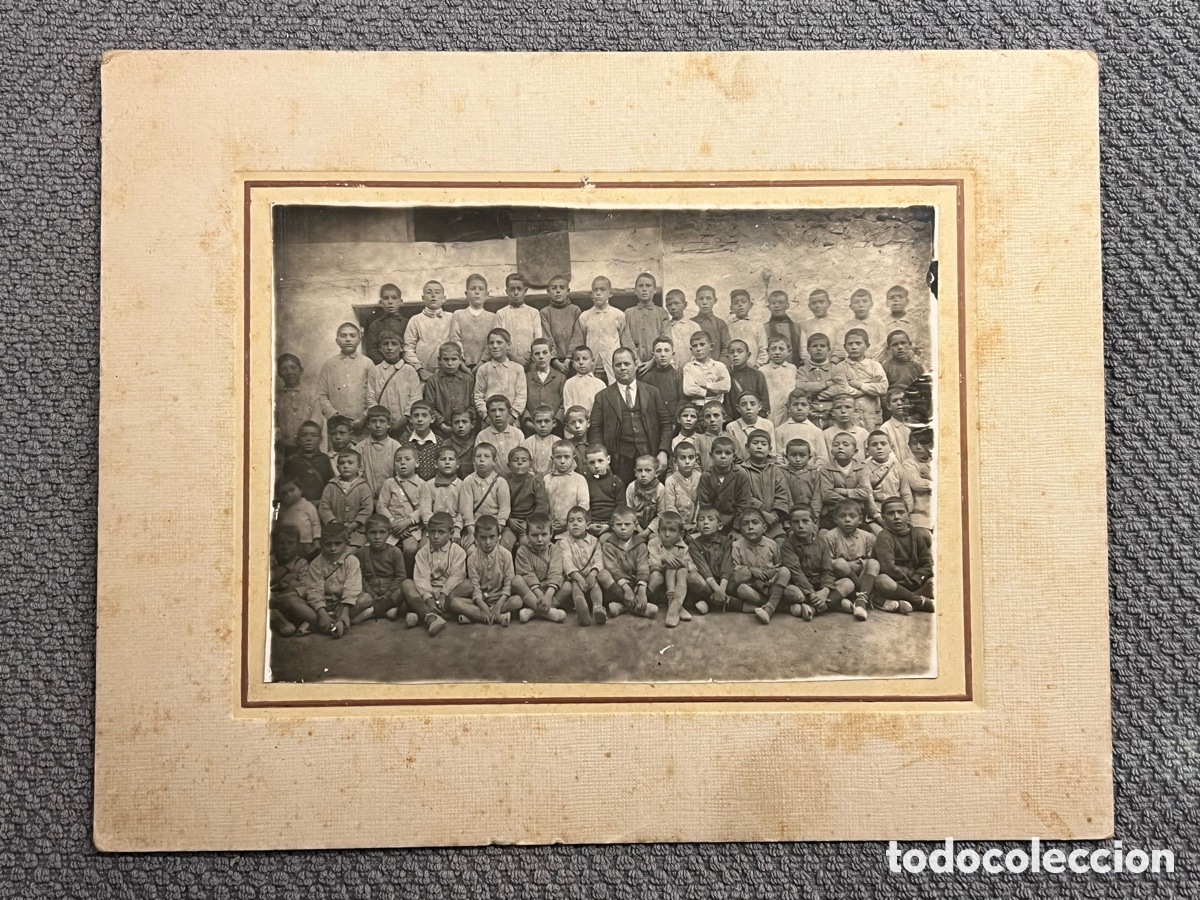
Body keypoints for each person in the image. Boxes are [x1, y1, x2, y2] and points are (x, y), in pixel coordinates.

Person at [586, 348, 673, 484]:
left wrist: (663, 452)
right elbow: (595, 430)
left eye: (626, 364)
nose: (622, 368)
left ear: (635, 364)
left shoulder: (652, 392)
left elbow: (666, 424)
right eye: (618, 365)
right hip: (618, 461)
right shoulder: (602, 397)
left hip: (649, 455)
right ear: (613, 368)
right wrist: (601, 459)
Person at [779, 505, 858, 620]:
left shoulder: (822, 543)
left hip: (820, 585)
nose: (801, 526)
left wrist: (825, 591)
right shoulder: (788, 545)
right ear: (790, 524)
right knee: (790, 592)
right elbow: (796, 572)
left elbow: (827, 570)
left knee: (848, 583)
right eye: (796, 522)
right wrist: (811, 594)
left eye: (805, 521)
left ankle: (813, 609)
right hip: (801, 587)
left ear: (814, 522)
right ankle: (835, 604)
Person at [301, 522, 373, 638]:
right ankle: (330, 621)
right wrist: (322, 612)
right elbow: (315, 590)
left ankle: (324, 623)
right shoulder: (316, 564)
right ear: (321, 544)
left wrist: (345, 612)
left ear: (347, 543)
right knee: (294, 601)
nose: (333, 549)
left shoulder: (352, 561)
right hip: (324, 603)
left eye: (338, 544)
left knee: (366, 599)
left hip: (344, 604)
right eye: (328, 544)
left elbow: (352, 588)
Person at [398, 511, 461, 636]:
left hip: (447, 595)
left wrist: (443, 594)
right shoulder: (423, 552)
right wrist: (428, 598)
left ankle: (420, 612)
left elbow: (456, 576)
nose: (436, 536)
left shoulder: (458, 552)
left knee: (467, 585)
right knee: (406, 584)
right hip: (427, 593)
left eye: (441, 532)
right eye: (432, 532)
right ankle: (430, 617)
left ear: (451, 533)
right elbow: (421, 579)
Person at [450, 515, 521, 626]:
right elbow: (475, 587)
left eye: (492, 537)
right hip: (481, 602)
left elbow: (508, 584)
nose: (488, 542)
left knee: (517, 601)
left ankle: (477, 617)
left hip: (501, 600)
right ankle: (497, 617)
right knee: (455, 603)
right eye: (483, 537)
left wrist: (498, 606)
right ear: (476, 537)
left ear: (499, 536)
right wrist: (483, 606)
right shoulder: (472, 558)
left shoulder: (505, 555)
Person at [872, 498, 936, 612]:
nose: (896, 517)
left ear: (908, 515)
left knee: (935, 580)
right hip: (896, 583)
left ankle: (906, 600)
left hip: (916, 582)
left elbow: (927, 563)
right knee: (882, 581)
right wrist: (911, 575)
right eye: (891, 513)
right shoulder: (884, 537)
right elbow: (888, 568)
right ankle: (918, 601)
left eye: (901, 512)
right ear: (883, 517)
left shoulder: (916, 534)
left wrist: (918, 578)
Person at [822, 499, 881, 620]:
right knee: (840, 563)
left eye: (852, 516)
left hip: (861, 575)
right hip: (841, 578)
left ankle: (860, 600)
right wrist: (849, 565)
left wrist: (860, 563)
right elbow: (826, 562)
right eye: (842, 516)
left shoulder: (867, 536)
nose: (847, 519)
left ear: (860, 520)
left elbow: (871, 558)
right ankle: (868, 597)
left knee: (874, 563)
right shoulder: (830, 536)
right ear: (835, 519)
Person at [731, 508, 790, 624]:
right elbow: (735, 570)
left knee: (785, 571)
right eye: (745, 524)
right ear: (740, 529)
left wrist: (771, 572)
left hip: (770, 583)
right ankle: (776, 605)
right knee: (742, 589)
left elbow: (779, 564)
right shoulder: (736, 546)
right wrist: (750, 569)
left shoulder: (772, 544)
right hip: (752, 586)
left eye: (755, 522)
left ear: (764, 528)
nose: (750, 527)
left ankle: (767, 607)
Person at [599, 506, 657, 620]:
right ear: (612, 526)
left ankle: (622, 607)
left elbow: (643, 567)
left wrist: (641, 591)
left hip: (636, 584)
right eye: (619, 525)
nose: (623, 528)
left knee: (657, 577)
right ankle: (637, 607)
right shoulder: (609, 544)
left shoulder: (641, 545)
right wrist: (626, 589)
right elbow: (612, 569)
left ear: (635, 526)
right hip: (619, 586)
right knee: (603, 575)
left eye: (627, 524)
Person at [316, 322, 374, 435]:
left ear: (359, 339)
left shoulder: (368, 364)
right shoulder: (329, 365)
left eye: (352, 336)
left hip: (362, 425)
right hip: (336, 427)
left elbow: (375, 394)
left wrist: (364, 417)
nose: (348, 339)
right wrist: (334, 417)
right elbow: (321, 394)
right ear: (337, 340)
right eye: (343, 336)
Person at [510, 513, 569, 623]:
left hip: (549, 590)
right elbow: (527, 575)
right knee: (516, 581)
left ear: (551, 534)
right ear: (527, 535)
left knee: (567, 586)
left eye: (544, 534)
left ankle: (533, 612)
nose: (539, 539)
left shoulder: (555, 549)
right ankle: (550, 613)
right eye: (534, 535)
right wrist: (542, 596)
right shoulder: (523, 551)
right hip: (532, 592)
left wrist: (548, 596)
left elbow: (555, 573)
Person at [375, 445, 424, 571]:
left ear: (417, 463)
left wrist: (407, 522)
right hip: (392, 527)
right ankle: (388, 576)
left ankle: (407, 576)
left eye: (407, 459)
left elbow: (423, 508)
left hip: (412, 528)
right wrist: (393, 523)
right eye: (398, 460)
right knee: (381, 547)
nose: (402, 463)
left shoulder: (422, 485)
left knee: (411, 548)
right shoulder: (389, 483)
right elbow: (381, 506)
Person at [816, 431, 875, 531]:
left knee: (869, 535)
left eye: (845, 444)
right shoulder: (825, 470)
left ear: (855, 452)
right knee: (823, 533)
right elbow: (826, 494)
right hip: (832, 513)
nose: (840, 447)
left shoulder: (862, 469)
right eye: (836, 445)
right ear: (831, 452)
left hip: (857, 513)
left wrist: (842, 491)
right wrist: (852, 499)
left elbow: (866, 493)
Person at [558, 506, 606, 626]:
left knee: (595, 585)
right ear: (567, 525)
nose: (575, 524)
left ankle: (597, 607)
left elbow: (598, 560)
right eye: (571, 521)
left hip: (591, 575)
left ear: (588, 525)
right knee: (575, 587)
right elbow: (567, 562)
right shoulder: (565, 542)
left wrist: (593, 574)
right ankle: (581, 609)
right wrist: (578, 577)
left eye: (579, 520)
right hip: (575, 576)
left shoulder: (595, 541)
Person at [366, 332, 421, 437]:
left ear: (401, 348)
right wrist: (381, 420)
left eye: (394, 344)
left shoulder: (409, 370)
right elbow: (371, 398)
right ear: (380, 348)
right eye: (385, 344)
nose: (389, 348)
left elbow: (416, 397)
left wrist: (403, 419)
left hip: (406, 425)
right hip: (382, 426)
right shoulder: (375, 371)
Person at [356, 514, 409, 623]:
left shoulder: (395, 552)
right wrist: (373, 595)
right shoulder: (361, 553)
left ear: (389, 534)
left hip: (391, 593)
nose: (377, 537)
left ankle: (375, 610)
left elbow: (401, 577)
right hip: (370, 593)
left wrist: (387, 595)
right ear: (366, 534)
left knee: (405, 588)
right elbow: (361, 578)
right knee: (358, 593)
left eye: (382, 532)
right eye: (372, 532)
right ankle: (385, 611)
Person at [458, 442, 511, 551]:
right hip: (475, 527)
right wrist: (472, 532)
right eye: (478, 456)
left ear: (494, 461)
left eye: (487, 456)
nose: (482, 460)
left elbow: (504, 510)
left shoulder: (500, 482)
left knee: (499, 551)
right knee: (471, 551)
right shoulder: (468, 481)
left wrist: (497, 531)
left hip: (495, 527)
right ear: (473, 460)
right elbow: (466, 509)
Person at [579, 275, 631, 383]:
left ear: (610, 293)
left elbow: (625, 341)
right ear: (591, 294)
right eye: (595, 290)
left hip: (613, 366)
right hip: (593, 367)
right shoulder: (584, 316)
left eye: (602, 290)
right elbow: (582, 341)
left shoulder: (619, 315)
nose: (598, 293)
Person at [317, 449, 373, 549]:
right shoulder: (331, 486)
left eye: (350, 463)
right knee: (333, 549)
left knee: (352, 551)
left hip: (357, 532)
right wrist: (333, 523)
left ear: (359, 467)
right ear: (337, 467)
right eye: (342, 463)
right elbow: (324, 507)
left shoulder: (363, 487)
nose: (345, 466)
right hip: (334, 532)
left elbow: (367, 508)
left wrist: (354, 525)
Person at [647, 511, 694, 627]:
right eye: (664, 530)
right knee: (670, 565)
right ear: (658, 531)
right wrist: (663, 558)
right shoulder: (653, 543)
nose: (667, 534)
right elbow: (649, 563)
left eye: (672, 530)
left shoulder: (684, 548)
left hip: (679, 589)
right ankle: (674, 604)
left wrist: (683, 563)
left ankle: (674, 605)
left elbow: (693, 567)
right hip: (660, 587)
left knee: (681, 569)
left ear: (681, 534)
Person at [741, 430, 790, 539]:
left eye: (763, 444)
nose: (759, 447)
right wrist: (763, 513)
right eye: (755, 443)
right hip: (748, 521)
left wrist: (774, 514)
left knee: (781, 544)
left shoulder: (776, 471)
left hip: (773, 523)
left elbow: (782, 494)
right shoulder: (741, 471)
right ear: (747, 447)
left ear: (770, 449)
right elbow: (744, 496)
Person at [697, 436, 751, 533]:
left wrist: (736, 529)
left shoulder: (741, 475)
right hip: (712, 524)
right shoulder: (706, 476)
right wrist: (712, 526)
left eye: (727, 453)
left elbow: (743, 505)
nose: (723, 456)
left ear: (734, 457)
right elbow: (705, 505)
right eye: (718, 452)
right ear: (711, 455)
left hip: (735, 524)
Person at [686, 507, 734, 614]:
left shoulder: (727, 541)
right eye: (702, 519)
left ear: (720, 526)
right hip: (708, 584)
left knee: (743, 573)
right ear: (697, 526)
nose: (706, 523)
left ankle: (710, 602)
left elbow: (727, 566)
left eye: (710, 519)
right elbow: (704, 570)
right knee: (693, 578)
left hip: (725, 583)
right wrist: (717, 590)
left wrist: (721, 589)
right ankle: (720, 601)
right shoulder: (694, 545)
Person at [473, 328, 527, 422]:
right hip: (489, 421)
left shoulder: (517, 369)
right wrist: (486, 417)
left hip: (512, 421)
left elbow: (521, 396)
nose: (494, 346)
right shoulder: (483, 369)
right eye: (491, 343)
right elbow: (478, 396)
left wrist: (513, 416)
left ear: (508, 345)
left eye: (499, 342)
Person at [830, 328, 888, 415]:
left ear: (867, 346)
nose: (854, 347)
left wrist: (859, 385)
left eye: (858, 343)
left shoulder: (875, 365)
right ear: (844, 347)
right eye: (850, 344)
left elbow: (883, 388)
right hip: (850, 416)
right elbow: (843, 391)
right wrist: (870, 385)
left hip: (871, 414)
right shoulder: (839, 368)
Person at [447, 273, 499, 370]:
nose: (477, 292)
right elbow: (455, 340)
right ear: (466, 294)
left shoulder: (493, 317)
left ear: (486, 294)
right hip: (462, 366)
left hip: (486, 366)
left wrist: (481, 363)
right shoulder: (458, 315)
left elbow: (493, 343)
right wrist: (462, 365)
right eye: (473, 288)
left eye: (481, 289)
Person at [404, 281, 453, 380]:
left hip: (450, 373)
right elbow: (408, 349)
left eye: (437, 292)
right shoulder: (415, 320)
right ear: (423, 298)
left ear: (443, 298)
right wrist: (420, 370)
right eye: (429, 292)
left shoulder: (452, 318)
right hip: (425, 374)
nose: (433, 295)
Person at [423, 342, 473, 438]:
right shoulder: (433, 381)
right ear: (439, 360)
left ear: (460, 360)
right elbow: (430, 407)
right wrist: (442, 425)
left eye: (454, 359)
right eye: (446, 359)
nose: (450, 363)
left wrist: (463, 422)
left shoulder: (468, 380)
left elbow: (473, 406)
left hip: (465, 430)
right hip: (440, 431)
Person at [504, 446, 550, 550]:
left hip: (529, 524)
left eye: (524, 460)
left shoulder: (536, 481)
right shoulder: (504, 482)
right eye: (515, 460)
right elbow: (501, 506)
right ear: (508, 465)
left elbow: (542, 507)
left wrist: (529, 523)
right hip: (511, 523)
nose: (520, 463)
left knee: (527, 546)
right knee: (504, 545)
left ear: (530, 464)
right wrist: (509, 521)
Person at [268, 525, 311, 635]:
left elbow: (306, 586)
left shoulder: (301, 563)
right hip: (273, 603)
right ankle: (281, 622)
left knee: (303, 601)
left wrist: (292, 592)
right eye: (280, 543)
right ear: (274, 545)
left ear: (297, 545)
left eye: (290, 543)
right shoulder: (270, 563)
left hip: (291, 601)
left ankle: (301, 621)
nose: (285, 547)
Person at [865, 431, 913, 528]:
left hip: (897, 511)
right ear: (868, 450)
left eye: (883, 444)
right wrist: (879, 518)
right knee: (881, 535)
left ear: (891, 447)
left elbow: (906, 493)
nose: (879, 447)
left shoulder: (897, 467)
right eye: (874, 445)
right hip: (877, 514)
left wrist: (905, 514)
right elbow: (868, 498)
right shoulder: (864, 469)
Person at [624, 272, 669, 375]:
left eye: (648, 286)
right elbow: (626, 340)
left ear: (655, 290)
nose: (644, 289)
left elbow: (666, 338)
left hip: (657, 366)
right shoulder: (628, 313)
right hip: (634, 367)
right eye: (640, 286)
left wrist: (652, 362)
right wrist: (636, 360)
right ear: (635, 291)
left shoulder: (662, 313)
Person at [540, 273, 584, 376]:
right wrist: (555, 361)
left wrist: (569, 358)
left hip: (573, 360)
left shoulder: (575, 310)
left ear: (568, 291)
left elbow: (577, 336)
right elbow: (547, 337)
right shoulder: (545, 312)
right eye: (554, 288)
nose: (558, 291)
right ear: (548, 291)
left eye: (562, 288)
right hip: (553, 362)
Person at [275, 353, 320, 454]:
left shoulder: (312, 395)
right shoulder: (276, 397)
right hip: (285, 449)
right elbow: (274, 423)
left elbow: (316, 421)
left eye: (293, 367)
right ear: (279, 373)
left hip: (308, 448)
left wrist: (308, 440)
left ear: (301, 371)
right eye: (284, 369)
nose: (289, 372)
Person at [354, 405, 402, 499]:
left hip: (391, 498)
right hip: (366, 498)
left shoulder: (396, 447)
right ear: (368, 424)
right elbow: (357, 476)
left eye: (382, 421)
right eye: (373, 421)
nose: (378, 425)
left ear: (389, 424)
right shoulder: (360, 448)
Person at [418, 445, 463, 543]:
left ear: (458, 464)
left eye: (451, 459)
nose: (447, 462)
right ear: (435, 464)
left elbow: (463, 511)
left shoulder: (463, 485)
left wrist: (457, 528)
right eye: (443, 459)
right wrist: (435, 527)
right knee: (423, 548)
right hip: (433, 527)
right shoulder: (428, 485)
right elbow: (425, 511)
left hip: (454, 528)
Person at [281, 421, 334, 504]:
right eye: (304, 435)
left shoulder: (324, 459)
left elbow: (330, 485)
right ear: (297, 439)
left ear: (320, 439)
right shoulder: (291, 461)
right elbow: (286, 488)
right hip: (298, 506)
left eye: (314, 435)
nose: (309, 439)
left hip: (321, 505)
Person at [496, 272, 542, 367]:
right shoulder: (500, 314)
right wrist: (513, 357)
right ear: (506, 291)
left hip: (530, 361)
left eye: (519, 289)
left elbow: (538, 337)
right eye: (512, 289)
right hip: (508, 361)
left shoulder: (534, 313)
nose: (516, 293)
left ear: (525, 290)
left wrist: (529, 355)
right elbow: (498, 339)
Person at [545, 439, 589, 537]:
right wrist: (548, 522)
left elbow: (583, 505)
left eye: (566, 457)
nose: (562, 461)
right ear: (552, 459)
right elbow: (543, 504)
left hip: (572, 528)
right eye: (558, 457)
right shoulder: (547, 479)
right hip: (549, 527)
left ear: (573, 459)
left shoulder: (579, 479)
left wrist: (568, 522)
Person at [776, 390, 829, 469]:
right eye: (795, 404)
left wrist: (811, 472)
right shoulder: (780, 430)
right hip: (786, 474)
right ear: (789, 408)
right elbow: (778, 457)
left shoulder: (816, 431)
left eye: (804, 405)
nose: (799, 408)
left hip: (810, 475)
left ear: (810, 408)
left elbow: (822, 458)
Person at [638, 336, 685, 424]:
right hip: (652, 422)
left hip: (673, 423)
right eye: (658, 351)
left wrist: (675, 422)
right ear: (653, 354)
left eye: (666, 350)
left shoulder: (678, 376)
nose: (662, 354)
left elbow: (682, 401)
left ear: (673, 353)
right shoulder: (646, 377)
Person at [475, 395, 524, 477]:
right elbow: (478, 464)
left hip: (514, 479)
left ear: (509, 411)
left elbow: (523, 460)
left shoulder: (518, 434)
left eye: (501, 410)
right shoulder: (482, 436)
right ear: (487, 413)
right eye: (493, 411)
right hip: (491, 481)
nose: (497, 414)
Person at [524, 339, 566, 432]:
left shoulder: (561, 378)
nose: (541, 357)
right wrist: (527, 421)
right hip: (531, 427)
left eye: (545, 352)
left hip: (555, 428)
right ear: (532, 357)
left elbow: (564, 403)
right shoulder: (526, 377)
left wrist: (556, 422)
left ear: (552, 354)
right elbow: (522, 401)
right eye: (537, 354)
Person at [724, 340, 771, 423]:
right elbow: (727, 403)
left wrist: (758, 419)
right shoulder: (726, 376)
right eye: (732, 352)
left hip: (756, 421)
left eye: (740, 351)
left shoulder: (757, 375)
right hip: (735, 423)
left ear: (748, 355)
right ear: (727, 357)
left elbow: (764, 400)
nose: (735, 355)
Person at [362, 283, 409, 365]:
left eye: (394, 298)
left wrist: (402, 365)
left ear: (400, 302)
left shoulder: (408, 323)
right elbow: (372, 350)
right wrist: (386, 365)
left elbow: (410, 347)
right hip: (382, 368)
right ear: (381, 302)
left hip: (404, 366)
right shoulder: (375, 325)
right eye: (386, 298)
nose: (390, 302)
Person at [681, 331, 731, 407]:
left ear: (711, 347)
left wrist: (705, 385)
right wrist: (716, 390)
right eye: (695, 346)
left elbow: (726, 386)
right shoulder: (689, 367)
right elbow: (689, 390)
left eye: (702, 344)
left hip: (718, 406)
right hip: (697, 407)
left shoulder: (719, 366)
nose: (698, 349)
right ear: (691, 350)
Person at [583, 445, 624, 535]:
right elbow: (584, 505)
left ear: (608, 460)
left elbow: (621, 507)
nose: (596, 466)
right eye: (592, 462)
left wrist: (610, 525)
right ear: (587, 464)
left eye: (600, 461)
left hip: (612, 524)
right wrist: (589, 524)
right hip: (591, 524)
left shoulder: (616, 481)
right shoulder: (585, 481)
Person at [725, 391, 776, 463]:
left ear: (759, 406)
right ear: (738, 408)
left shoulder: (768, 424)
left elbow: (772, 452)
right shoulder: (731, 427)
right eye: (743, 404)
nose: (748, 408)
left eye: (752, 404)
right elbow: (732, 453)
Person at [275, 479, 321, 558]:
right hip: (288, 543)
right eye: (284, 493)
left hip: (305, 542)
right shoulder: (281, 509)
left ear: (301, 489)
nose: (289, 495)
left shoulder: (307, 505)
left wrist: (316, 539)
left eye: (292, 490)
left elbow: (315, 523)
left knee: (307, 559)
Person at [880, 285, 927, 362]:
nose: (896, 300)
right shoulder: (881, 324)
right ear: (887, 303)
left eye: (900, 297)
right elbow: (880, 350)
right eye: (892, 298)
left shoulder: (916, 323)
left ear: (907, 301)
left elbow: (924, 348)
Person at [663, 441, 702, 532]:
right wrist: (683, 524)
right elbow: (670, 506)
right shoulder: (670, 481)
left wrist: (696, 523)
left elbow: (701, 503)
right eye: (683, 458)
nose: (687, 462)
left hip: (696, 526)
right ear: (675, 461)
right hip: (676, 525)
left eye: (691, 457)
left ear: (696, 459)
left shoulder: (701, 477)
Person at [398, 400, 441, 481]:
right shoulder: (404, 442)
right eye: (416, 415)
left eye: (424, 415)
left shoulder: (440, 443)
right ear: (410, 419)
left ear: (432, 419)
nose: (420, 419)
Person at [760, 337, 799, 426]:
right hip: (772, 410)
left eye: (781, 349)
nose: (777, 352)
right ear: (767, 351)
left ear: (789, 351)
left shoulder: (793, 368)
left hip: (789, 409)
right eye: (773, 349)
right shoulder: (763, 370)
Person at [690, 284, 732, 365]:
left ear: (715, 300)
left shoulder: (720, 324)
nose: (704, 302)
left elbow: (726, 348)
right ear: (696, 302)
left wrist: (719, 367)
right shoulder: (691, 323)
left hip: (715, 368)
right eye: (701, 299)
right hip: (694, 367)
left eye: (708, 298)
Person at [763, 290, 807, 367]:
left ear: (787, 305)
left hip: (794, 368)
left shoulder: (797, 327)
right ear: (768, 306)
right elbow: (763, 351)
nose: (776, 306)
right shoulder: (764, 328)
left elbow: (803, 351)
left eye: (780, 302)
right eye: (773, 303)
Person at [798, 289, 844, 362]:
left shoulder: (837, 325)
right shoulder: (805, 326)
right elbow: (803, 348)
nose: (818, 306)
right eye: (814, 303)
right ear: (809, 306)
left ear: (828, 303)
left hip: (833, 365)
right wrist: (809, 364)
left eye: (821, 302)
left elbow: (839, 348)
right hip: (810, 365)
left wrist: (832, 363)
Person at [902, 428, 934, 532]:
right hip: (919, 516)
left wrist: (929, 476)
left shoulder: (936, 462)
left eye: (923, 443)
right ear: (909, 445)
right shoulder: (909, 464)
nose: (918, 447)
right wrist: (936, 483)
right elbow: (917, 484)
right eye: (914, 443)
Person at [625, 454, 665, 537]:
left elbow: (661, 514)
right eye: (639, 470)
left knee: (653, 539)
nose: (643, 474)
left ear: (656, 473)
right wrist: (639, 530)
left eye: (648, 470)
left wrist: (647, 531)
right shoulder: (631, 487)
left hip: (653, 529)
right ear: (635, 473)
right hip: (635, 527)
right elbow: (629, 511)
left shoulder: (660, 489)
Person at [824, 394, 870, 463]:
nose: (843, 411)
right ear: (833, 412)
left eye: (848, 407)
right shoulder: (826, 434)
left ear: (855, 411)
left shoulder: (863, 433)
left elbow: (870, 457)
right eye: (838, 407)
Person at [782, 438, 821, 519]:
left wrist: (814, 515)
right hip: (788, 516)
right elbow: (784, 497)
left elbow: (817, 498)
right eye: (793, 455)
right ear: (786, 456)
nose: (798, 459)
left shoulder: (815, 473)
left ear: (809, 457)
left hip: (810, 516)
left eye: (802, 455)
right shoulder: (781, 473)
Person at [561, 346, 606, 417]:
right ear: (572, 364)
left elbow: (603, 409)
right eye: (577, 359)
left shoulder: (600, 384)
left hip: (595, 423)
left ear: (592, 361)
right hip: (576, 422)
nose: (581, 362)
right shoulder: (569, 383)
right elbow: (568, 407)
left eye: (585, 359)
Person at [727, 288, 766, 368]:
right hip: (733, 370)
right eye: (735, 303)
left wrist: (757, 366)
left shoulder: (758, 326)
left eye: (743, 302)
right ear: (731, 307)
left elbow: (763, 349)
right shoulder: (728, 327)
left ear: (750, 305)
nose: (740, 305)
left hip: (753, 369)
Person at [844, 288, 888, 355]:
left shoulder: (878, 326)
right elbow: (840, 349)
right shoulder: (845, 327)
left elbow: (882, 347)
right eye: (856, 302)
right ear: (851, 307)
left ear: (871, 304)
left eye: (865, 301)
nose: (861, 305)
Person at [795, 332, 838, 399]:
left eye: (822, 346)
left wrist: (815, 395)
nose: (818, 349)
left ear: (829, 350)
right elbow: (801, 387)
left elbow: (840, 388)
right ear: (808, 350)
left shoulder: (835, 369)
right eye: (814, 346)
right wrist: (826, 384)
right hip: (810, 408)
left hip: (830, 408)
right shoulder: (802, 370)